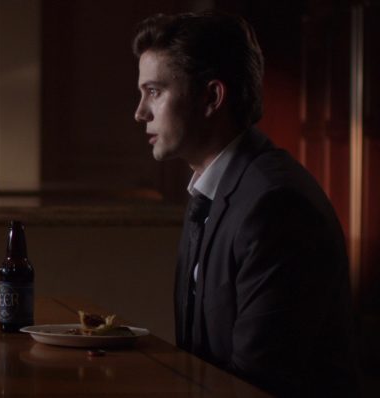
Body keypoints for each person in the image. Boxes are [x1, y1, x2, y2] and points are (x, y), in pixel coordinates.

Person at [132, 12, 358, 396]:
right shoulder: (210, 191)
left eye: (154, 92)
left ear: (211, 97)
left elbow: (258, 383)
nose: (140, 113)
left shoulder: (275, 205)